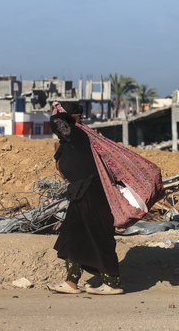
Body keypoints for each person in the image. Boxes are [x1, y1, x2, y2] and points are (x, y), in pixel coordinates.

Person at [48, 102, 123, 295]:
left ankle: (112, 283)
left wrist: (64, 114)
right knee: (73, 235)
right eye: (77, 116)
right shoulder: (69, 141)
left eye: (79, 117)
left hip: (92, 191)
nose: (80, 120)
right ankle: (71, 282)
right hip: (79, 192)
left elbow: (56, 121)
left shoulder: (77, 134)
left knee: (98, 235)